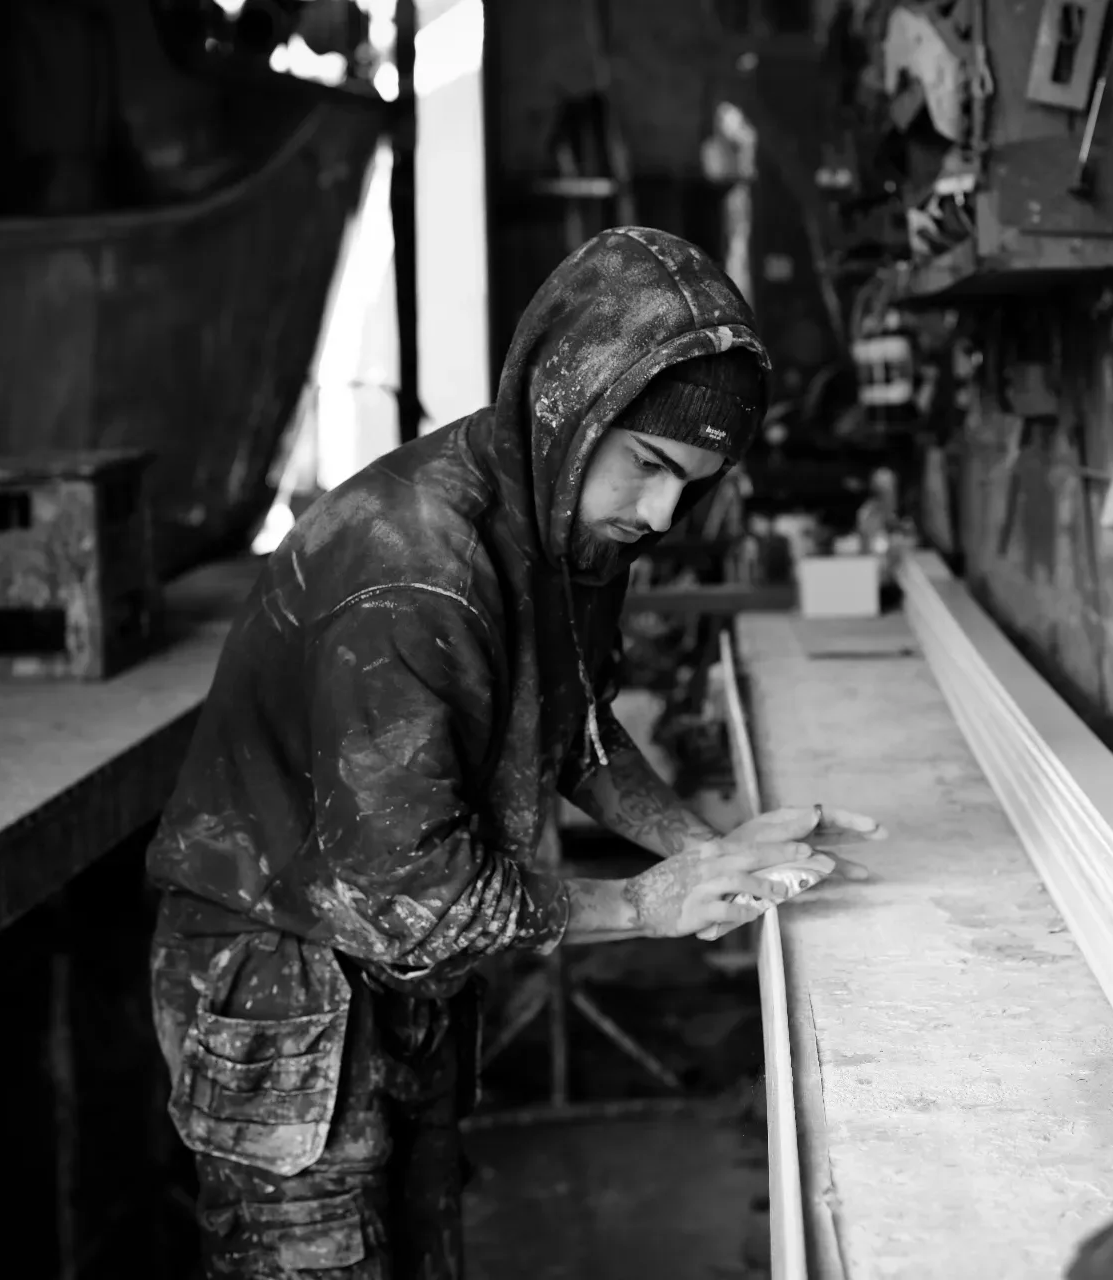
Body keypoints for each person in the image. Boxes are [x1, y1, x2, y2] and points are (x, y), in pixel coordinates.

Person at [145, 226, 885, 1279]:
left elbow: (574, 724)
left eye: (698, 480)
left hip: (402, 976)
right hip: (287, 981)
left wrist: (706, 846)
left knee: (428, 1245)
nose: (665, 514)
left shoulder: (566, 514)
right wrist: (642, 903)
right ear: (573, 407)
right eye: (652, 466)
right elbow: (411, 893)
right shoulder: (416, 574)